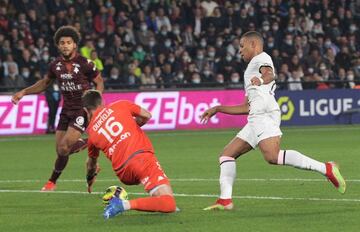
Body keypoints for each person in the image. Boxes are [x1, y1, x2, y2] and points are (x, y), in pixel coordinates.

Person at [200, 31, 346, 211]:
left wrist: (261, 79)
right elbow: (247, 107)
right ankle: (225, 200)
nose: (240, 51)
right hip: (255, 116)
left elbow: (270, 74)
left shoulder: (261, 58)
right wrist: (218, 108)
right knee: (227, 155)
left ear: (253, 44)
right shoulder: (251, 68)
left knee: (272, 156)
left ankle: (327, 168)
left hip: (264, 115)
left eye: (242, 45)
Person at [11, 26, 104, 191]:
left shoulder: (85, 63)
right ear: (58, 46)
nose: (65, 45)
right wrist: (24, 91)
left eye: (69, 42)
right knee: (61, 151)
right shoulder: (55, 65)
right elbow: (44, 83)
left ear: (75, 45)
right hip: (65, 110)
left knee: (64, 147)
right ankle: (55, 180)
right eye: (62, 43)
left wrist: (94, 103)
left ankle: (53, 180)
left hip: (81, 110)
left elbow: (99, 82)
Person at [82, 90, 176, 219]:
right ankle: (122, 205)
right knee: (169, 204)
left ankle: (153, 201)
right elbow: (147, 115)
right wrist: (132, 125)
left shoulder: (91, 134)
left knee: (162, 198)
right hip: (140, 158)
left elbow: (91, 163)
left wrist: (89, 178)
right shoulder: (120, 105)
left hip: (123, 173)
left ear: (86, 111)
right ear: (102, 102)